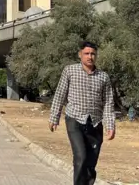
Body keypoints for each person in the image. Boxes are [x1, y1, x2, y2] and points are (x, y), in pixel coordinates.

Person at [49, 41, 115, 185]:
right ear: (80, 55)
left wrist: (110, 125)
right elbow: (60, 94)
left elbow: (108, 102)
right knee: (81, 157)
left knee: (91, 163)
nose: (90, 57)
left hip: (95, 123)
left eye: (92, 54)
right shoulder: (70, 71)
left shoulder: (103, 77)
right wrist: (54, 117)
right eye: (86, 53)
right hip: (75, 120)